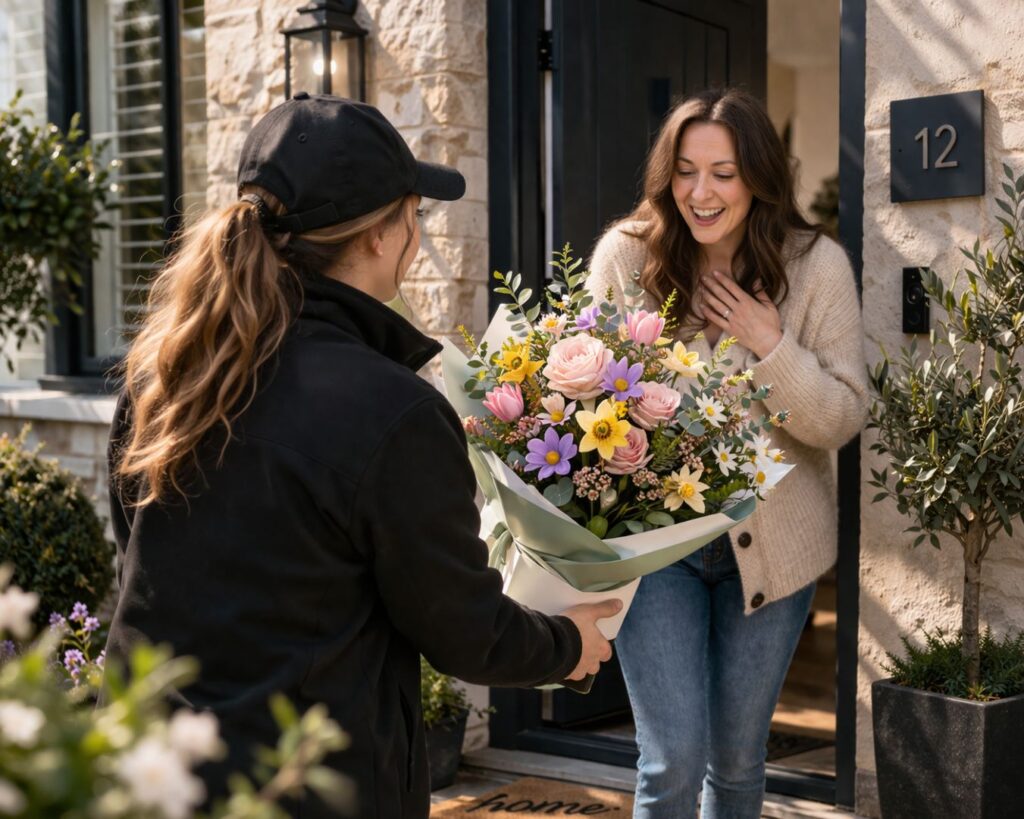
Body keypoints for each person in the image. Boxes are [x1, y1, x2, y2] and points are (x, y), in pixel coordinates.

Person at [105, 94, 621, 818]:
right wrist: (568, 645)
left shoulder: (164, 375)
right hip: (306, 784)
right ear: (383, 235)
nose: (418, 234)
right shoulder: (392, 411)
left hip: (150, 771)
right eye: (415, 212)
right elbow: (460, 628)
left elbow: (138, 555)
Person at [586, 88, 869, 818]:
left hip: (775, 555)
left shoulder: (818, 267)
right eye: (685, 171)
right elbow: (591, 400)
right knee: (671, 760)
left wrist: (769, 344)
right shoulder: (626, 257)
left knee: (739, 764)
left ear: (758, 178)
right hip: (659, 553)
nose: (701, 192)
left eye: (724, 172)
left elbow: (839, 417)